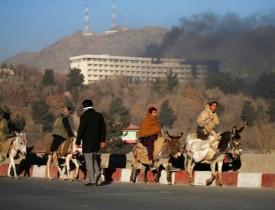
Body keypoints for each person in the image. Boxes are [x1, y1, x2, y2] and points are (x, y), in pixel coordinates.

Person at [76, 99, 106, 186]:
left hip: (87, 142)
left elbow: (81, 130)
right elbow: (103, 129)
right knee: (94, 159)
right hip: (97, 143)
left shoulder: (84, 116)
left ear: (84, 107)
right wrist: (103, 140)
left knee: (89, 161)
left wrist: (78, 141)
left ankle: (92, 181)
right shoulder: (99, 115)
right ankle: (98, 173)